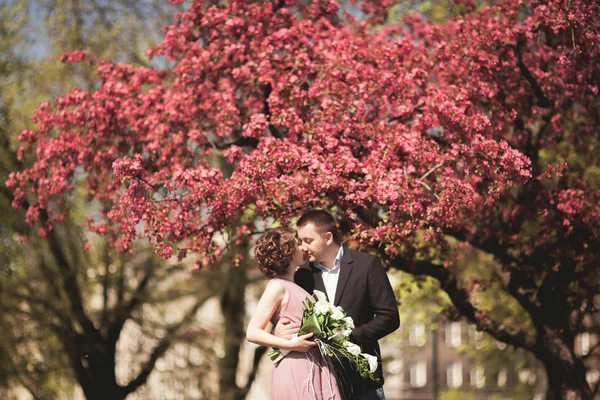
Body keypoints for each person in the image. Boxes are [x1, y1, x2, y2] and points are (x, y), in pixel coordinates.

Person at [274, 210, 400, 400]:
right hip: (318, 381)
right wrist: (278, 332)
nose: (303, 247)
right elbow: (286, 317)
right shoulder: (301, 276)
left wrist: (349, 337)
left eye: (308, 240)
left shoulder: (367, 265)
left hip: (362, 381)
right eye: (300, 241)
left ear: (328, 237)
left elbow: (389, 317)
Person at [246, 228, 341, 400]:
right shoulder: (277, 286)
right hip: (297, 365)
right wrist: (289, 344)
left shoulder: (295, 286)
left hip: (313, 363)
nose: (302, 248)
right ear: (288, 253)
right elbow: (252, 332)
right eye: (297, 244)